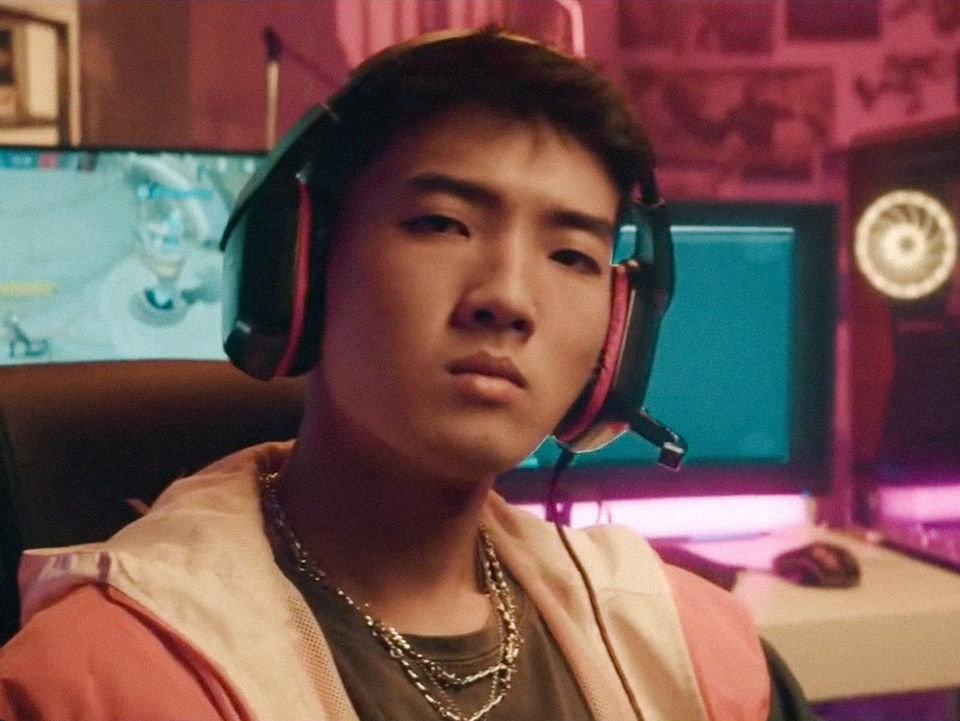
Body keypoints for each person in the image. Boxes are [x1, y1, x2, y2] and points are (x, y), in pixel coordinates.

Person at [0, 28, 815, 721]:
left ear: (619, 329)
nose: (508, 297)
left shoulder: (694, 657)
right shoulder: (96, 682)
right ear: (304, 265)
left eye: (571, 255)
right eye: (441, 223)